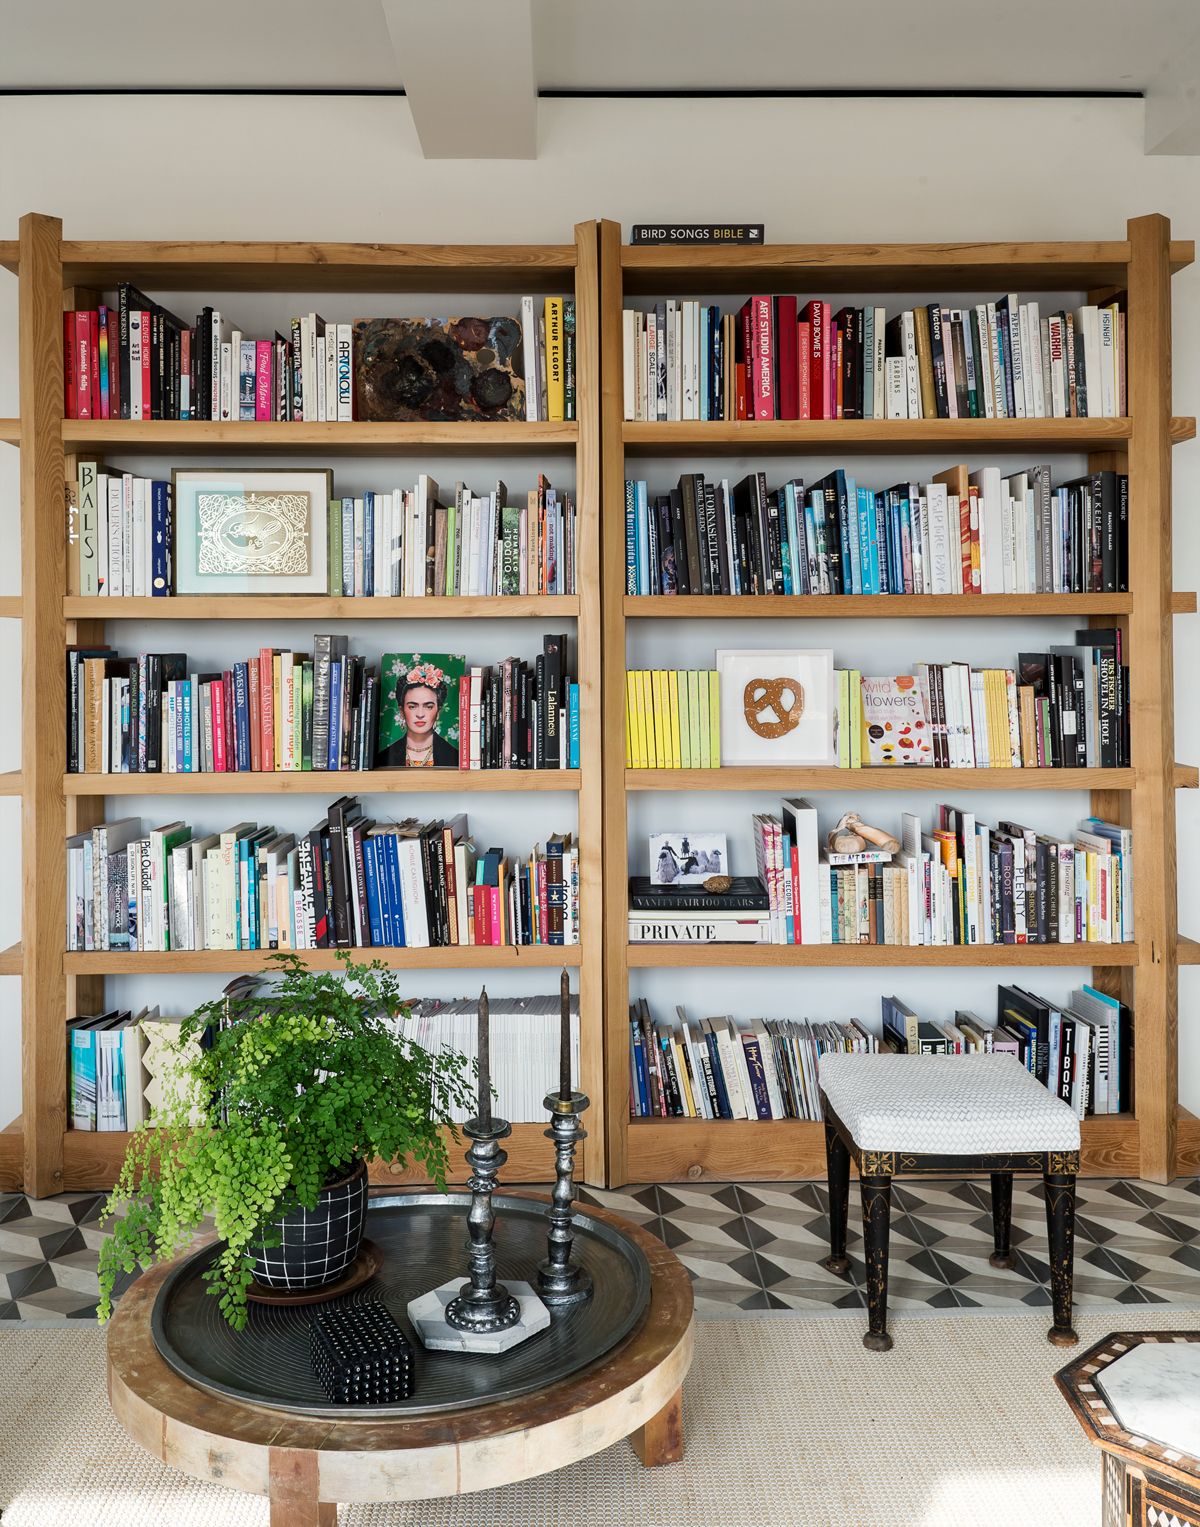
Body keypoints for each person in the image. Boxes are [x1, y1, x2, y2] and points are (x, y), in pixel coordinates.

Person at [376, 661, 459, 768]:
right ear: (402, 711)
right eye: (412, 706)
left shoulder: (454, 756)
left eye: (428, 706)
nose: (420, 714)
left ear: (438, 712)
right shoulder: (384, 758)